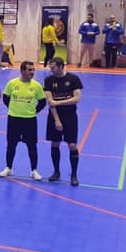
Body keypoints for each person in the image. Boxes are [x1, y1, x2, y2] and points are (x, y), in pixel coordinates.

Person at [0, 61, 46, 180]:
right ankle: (8, 168)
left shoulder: (37, 86)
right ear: (22, 71)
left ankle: (34, 170)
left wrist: (33, 111)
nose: (32, 72)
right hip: (13, 119)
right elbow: (5, 98)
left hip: (29, 120)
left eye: (33, 70)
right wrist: (13, 109)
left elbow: (42, 102)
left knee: (32, 146)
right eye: (29, 70)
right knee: (11, 145)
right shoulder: (12, 83)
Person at [44, 58, 83, 186]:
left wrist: (59, 102)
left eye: (53, 67)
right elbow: (50, 102)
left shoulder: (73, 79)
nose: (51, 70)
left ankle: (74, 175)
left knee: (72, 145)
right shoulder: (48, 80)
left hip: (70, 116)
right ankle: (56, 172)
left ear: (61, 66)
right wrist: (56, 120)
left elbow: (76, 98)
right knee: (55, 143)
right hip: (55, 116)